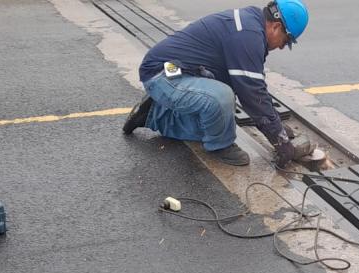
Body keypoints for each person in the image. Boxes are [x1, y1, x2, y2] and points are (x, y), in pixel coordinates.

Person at [123, 0, 309, 167]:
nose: (282, 46)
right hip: (162, 73)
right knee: (221, 98)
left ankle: (153, 114)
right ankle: (220, 146)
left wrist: (275, 127)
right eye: (286, 41)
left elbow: (255, 84)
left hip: (179, 70)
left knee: (215, 120)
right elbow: (253, 95)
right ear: (276, 26)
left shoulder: (250, 23)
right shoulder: (248, 35)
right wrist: (281, 141)